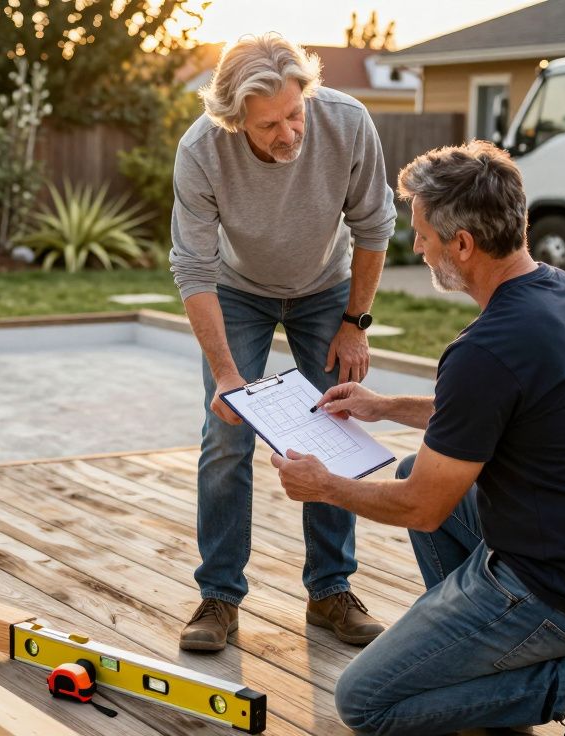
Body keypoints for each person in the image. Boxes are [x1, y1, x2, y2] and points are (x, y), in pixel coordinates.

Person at [270, 141, 565, 736]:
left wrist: (324, 486)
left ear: (462, 244)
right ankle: (480, 665)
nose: (417, 245)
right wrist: (385, 406)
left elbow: (424, 510)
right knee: (406, 467)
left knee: (365, 702)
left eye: (423, 233)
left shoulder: (485, 350)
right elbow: (501, 411)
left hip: (564, 592)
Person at [169, 33, 396, 651]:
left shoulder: (347, 122)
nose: (289, 133)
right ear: (233, 119)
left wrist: (356, 321)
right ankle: (219, 596)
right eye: (269, 125)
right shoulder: (201, 150)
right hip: (238, 290)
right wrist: (224, 374)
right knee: (226, 434)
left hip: (327, 288)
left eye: (295, 114)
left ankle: (330, 592)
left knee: (332, 426)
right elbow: (192, 267)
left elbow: (374, 224)